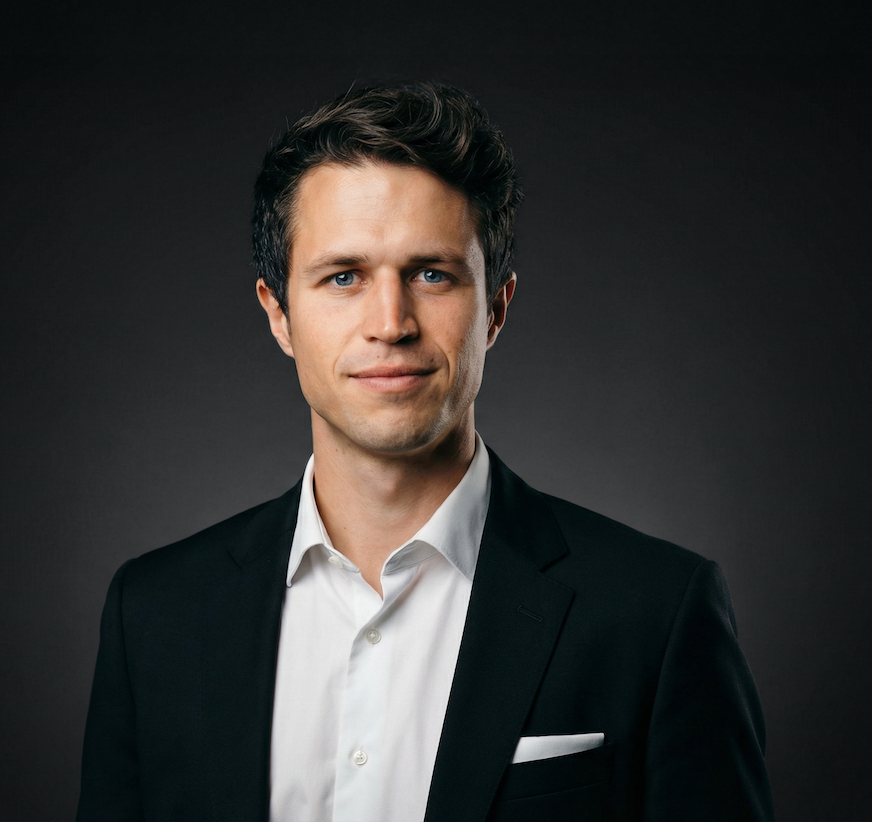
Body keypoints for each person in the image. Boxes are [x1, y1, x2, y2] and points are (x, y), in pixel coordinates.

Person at [77, 83, 773, 821]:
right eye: (343, 277)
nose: (391, 322)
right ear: (279, 315)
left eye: (432, 274)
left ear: (496, 307)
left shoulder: (657, 612)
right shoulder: (153, 614)